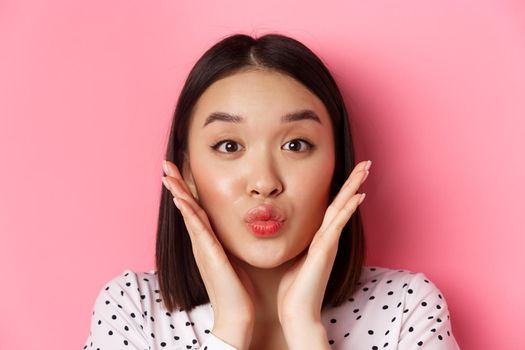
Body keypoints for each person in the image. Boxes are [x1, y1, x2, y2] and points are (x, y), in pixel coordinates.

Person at [83, 33, 460, 350]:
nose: (264, 182)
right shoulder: (133, 307)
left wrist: (304, 329)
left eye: (296, 145)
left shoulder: (405, 307)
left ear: (337, 165)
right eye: (229, 146)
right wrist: (229, 327)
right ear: (187, 172)